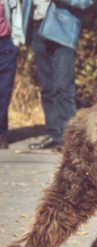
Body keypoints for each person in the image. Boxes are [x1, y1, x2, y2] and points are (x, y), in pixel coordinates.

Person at [22, 0, 93, 150]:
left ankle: (71, 140)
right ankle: (54, 135)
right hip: (37, 26)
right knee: (46, 87)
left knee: (63, 86)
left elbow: (85, 2)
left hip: (62, 29)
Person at [0, 0, 24, 149]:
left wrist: (16, 42)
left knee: (3, 92)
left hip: (5, 46)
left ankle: (1, 134)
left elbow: (17, 15)